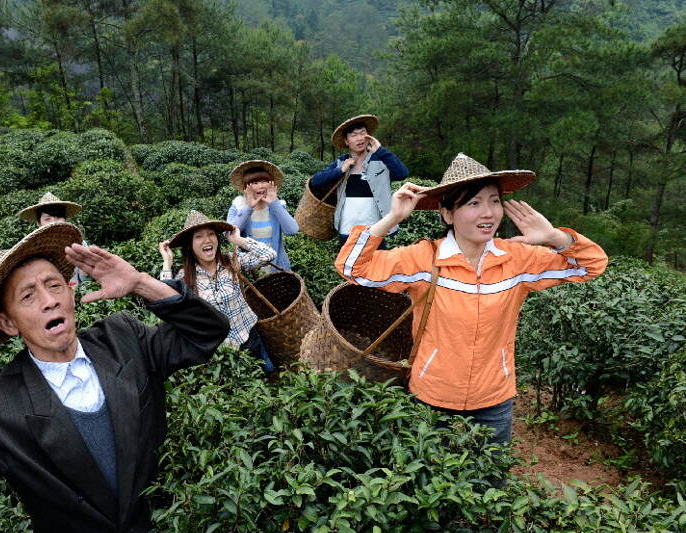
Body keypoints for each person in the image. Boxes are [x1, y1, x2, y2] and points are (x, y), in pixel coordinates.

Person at [0, 222, 229, 533]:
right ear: (8, 324)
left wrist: (141, 284)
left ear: (71, 293)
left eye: (55, 285)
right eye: (28, 296)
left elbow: (207, 333)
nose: (49, 300)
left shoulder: (123, 338)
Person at [335, 153, 608, 446]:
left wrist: (556, 238)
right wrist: (392, 218)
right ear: (448, 213)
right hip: (432, 396)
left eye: (493, 201)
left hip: (493, 399)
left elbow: (591, 266)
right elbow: (352, 267)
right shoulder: (425, 259)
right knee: (433, 482)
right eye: (474, 203)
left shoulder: (516, 258)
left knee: (491, 483)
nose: (488, 213)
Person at [159, 210, 276, 371]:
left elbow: (269, 255)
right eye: (198, 236)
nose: (207, 240)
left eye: (211, 234)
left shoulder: (231, 261)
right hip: (221, 353)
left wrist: (238, 240)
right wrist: (167, 263)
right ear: (190, 245)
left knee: (269, 374)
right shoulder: (185, 278)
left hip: (250, 338)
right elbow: (165, 303)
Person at [310, 114, 409, 250]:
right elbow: (315, 181)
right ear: (346, 141)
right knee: (349, 269)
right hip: (347, 230)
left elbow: (402, 173)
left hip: (375, 229)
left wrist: (380, 150)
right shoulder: (341, 162)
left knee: (377, 268)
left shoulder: (380, 161)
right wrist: (340, 170)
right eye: (354, 135)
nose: (359, 138)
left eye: (363, 133)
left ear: (368, 137)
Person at [226, 160, 298, 272]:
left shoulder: (277, 205)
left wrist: (274, 203)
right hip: (251, 270)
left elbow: (292, 230)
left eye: (264, 181)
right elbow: (230, 233)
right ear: (246, 187)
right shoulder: (238, 206)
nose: (260, 186)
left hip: (277, 268)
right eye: (254, 183)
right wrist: (249, 207)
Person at [18, 191, 91, 285]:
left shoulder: (79, 243)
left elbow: (85, 282)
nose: (54, 222)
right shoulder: (32, 248)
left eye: (58, 217)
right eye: (47, 219)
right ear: (39, 224)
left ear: (65, 219)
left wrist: (84, 270)